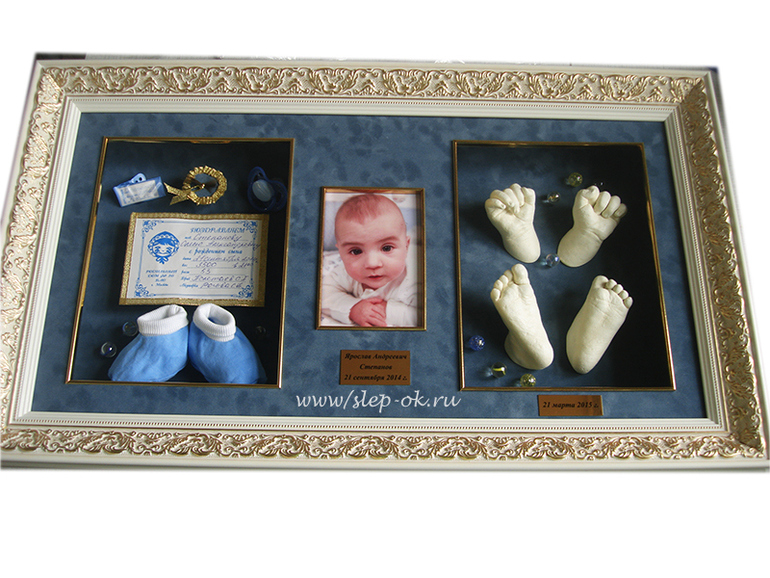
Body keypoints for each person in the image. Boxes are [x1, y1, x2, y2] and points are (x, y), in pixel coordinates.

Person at [322, 193, 419, 327]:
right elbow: (322, 293)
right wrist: (353, 308)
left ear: (406, 246)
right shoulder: (344, 273)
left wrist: (387, 311)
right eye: (356, 251)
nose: (372, 263)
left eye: (386, 248)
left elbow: (430, 317)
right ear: (341, 253)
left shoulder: (414, 281)